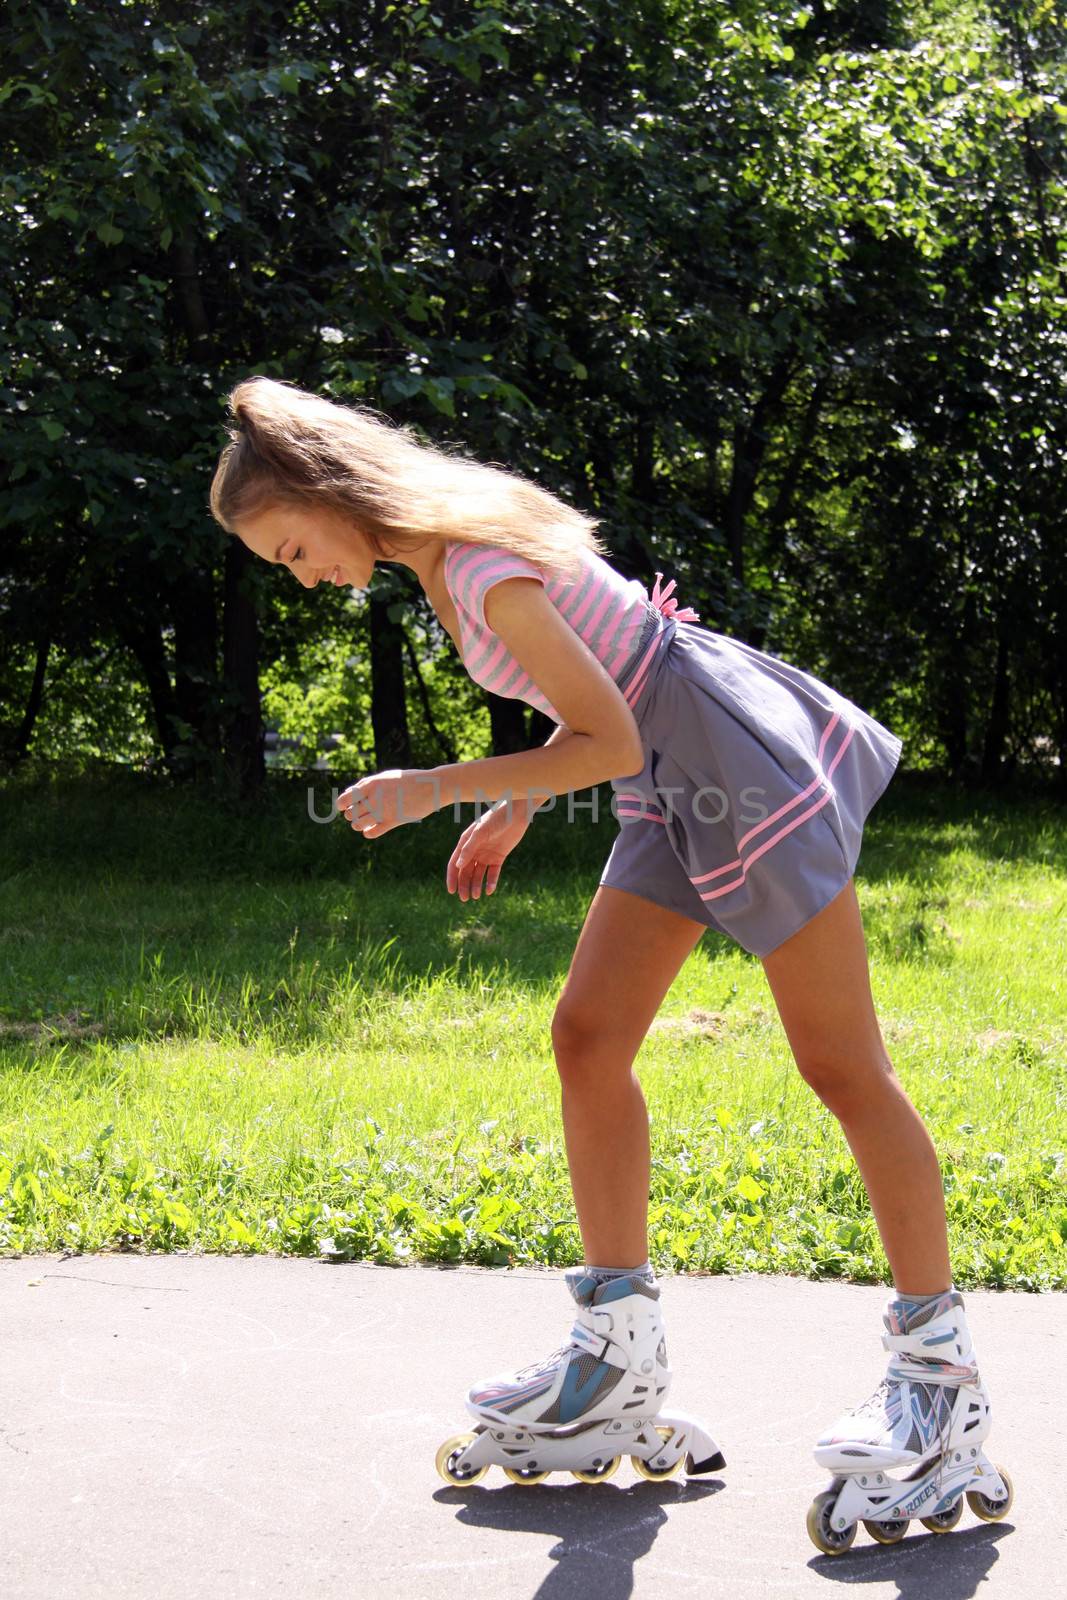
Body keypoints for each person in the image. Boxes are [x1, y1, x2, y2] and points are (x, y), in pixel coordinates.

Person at [210, 375, 1009, 1544]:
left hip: (722, 762)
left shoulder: (473, 566)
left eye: (289, 547)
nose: (300, 574)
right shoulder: (444, 554)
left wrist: (440, 787)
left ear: (330, 496)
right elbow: (601, 678)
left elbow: (616, 730)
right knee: (586, 1036)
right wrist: (518, 805)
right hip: (666, 775)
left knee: (841, 1066)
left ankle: (940, 1390)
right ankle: (613, 1361)